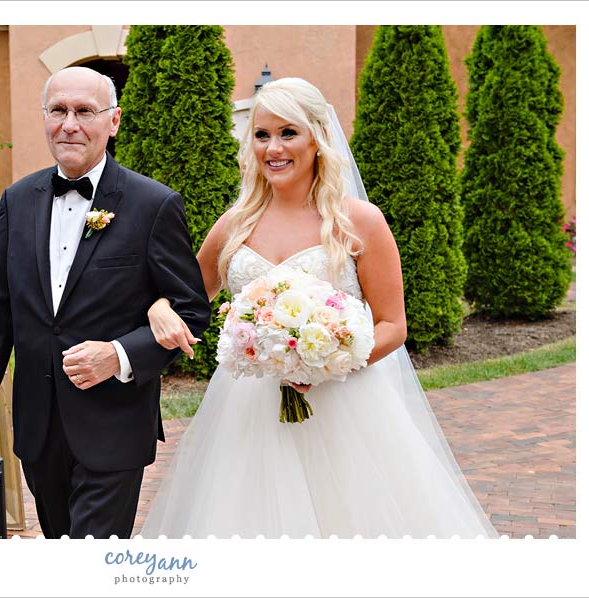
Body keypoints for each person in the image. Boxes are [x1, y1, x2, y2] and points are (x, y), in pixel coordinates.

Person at [140, 78, 498, 539]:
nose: (274, 148)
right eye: (262, 134)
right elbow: (186, 295)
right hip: (247, 407)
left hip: (345, 403)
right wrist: (158, 307)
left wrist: (330, 361)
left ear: (317, 138)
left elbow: (393, 325)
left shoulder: (359, 221)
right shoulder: (234, 224)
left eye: (288, 133)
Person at [0, 66, 211, 539]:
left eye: (84, 111)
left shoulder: (153, 204)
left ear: (113, 122)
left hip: (114, 426)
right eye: (58, 110)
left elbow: (190, 311)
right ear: (45, 117)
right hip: (39, 428)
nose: (69, 123)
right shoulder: (17, 200)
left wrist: (120, 355)